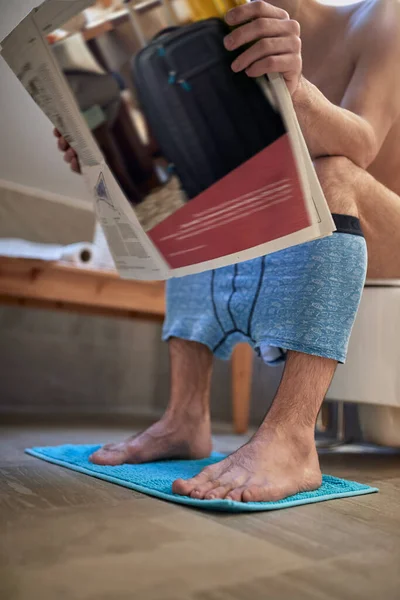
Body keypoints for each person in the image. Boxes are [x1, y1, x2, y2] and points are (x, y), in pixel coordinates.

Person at [57, 0, 400, 503]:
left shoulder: (380, 16)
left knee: (330, 174)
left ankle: (292, 437)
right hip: (316, 220)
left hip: (384, 223)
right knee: (205, 188)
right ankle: (184, 417)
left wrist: (296, 89)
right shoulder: (222, 39)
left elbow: (362, 144)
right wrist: (97, 144)